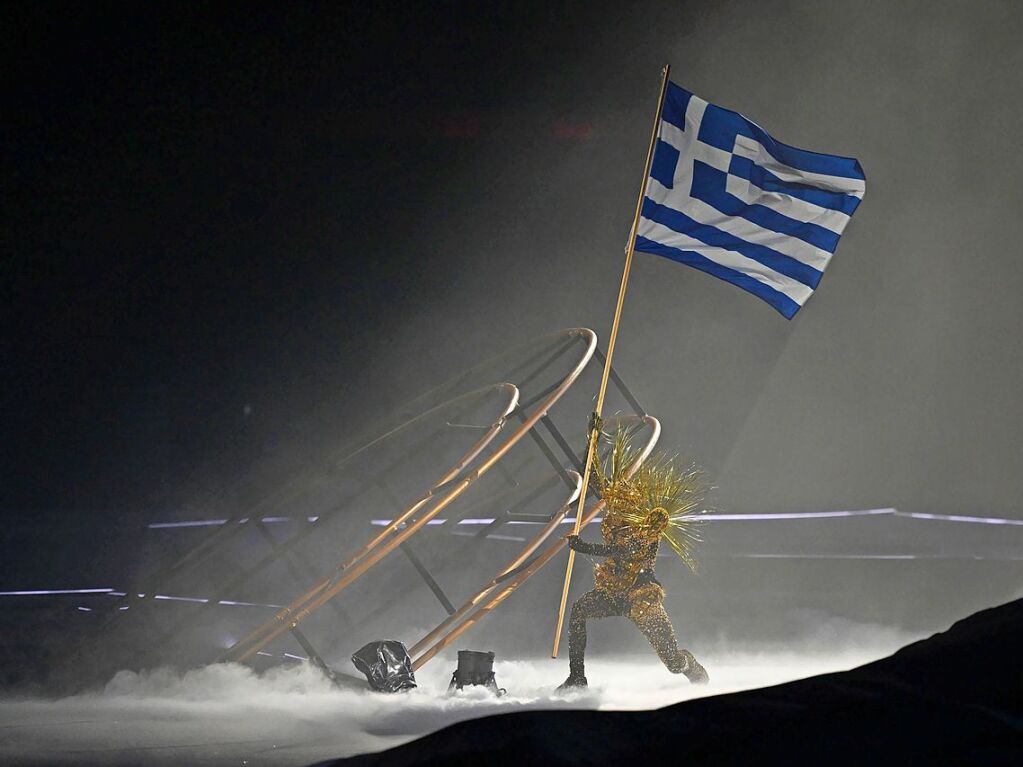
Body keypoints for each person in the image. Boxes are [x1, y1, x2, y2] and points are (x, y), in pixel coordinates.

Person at [559, 428, 709, 689]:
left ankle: (689, 666)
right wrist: (591, 443)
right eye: (616, 502)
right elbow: (592, 480)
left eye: (624, 503)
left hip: (641, 596)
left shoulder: (650, 524)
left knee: (672, 662)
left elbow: (626, 551)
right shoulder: (616, 511)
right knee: (578, 612)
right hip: (613, 590)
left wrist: (585, 547)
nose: (617, 505)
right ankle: (577, 677)